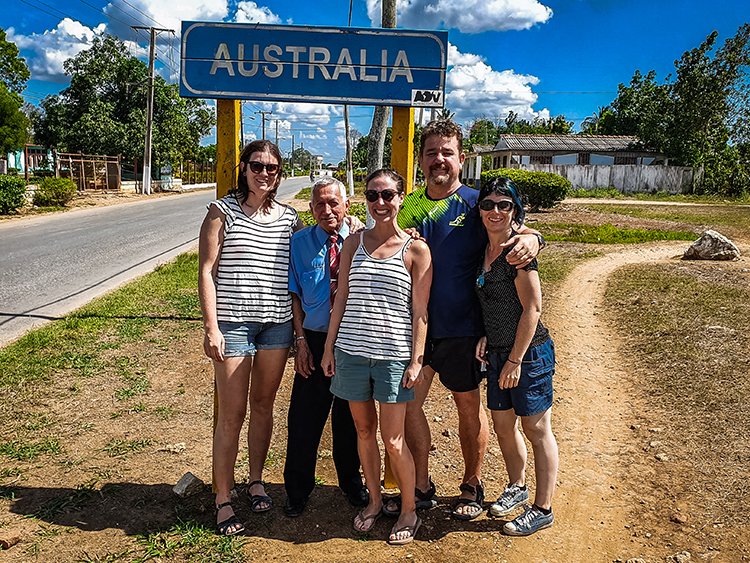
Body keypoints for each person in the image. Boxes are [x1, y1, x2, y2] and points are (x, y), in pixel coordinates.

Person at [392, 120, 545, 521]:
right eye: (430, 153)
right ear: (421, 160)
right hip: (416, 327)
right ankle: (422, 484)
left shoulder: (478, 203)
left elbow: (513, 226)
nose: (438, 160)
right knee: (408, 405)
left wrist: (534, 238)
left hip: (464, 331)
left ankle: (472, 484)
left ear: (461, 158)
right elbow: (382, 231)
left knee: (466, 407)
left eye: (447, 152)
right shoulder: (408, 204)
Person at [322, 169, 432, 546]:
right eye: (373, 196)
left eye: (388, 195)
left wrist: (417, 360)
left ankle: (408, 510)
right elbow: (341, 298)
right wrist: (328, 348)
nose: (380, 203)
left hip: (392, 358)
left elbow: (420, 312)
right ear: (365, 200)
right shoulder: (354, 243)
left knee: (394, 438)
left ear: (402, 198)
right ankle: (373, 501)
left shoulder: (416, 249)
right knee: (364, 432)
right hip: (351, 352)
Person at [199, 139, 301, 536]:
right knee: (232, 413)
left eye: (272, 168)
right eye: (257, 165)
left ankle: (256, 480)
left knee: (263, 406)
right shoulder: (220, 212)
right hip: (234, 325)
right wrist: (212, 327)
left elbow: (315, 252)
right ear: (243, 168)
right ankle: (223, 497)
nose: (264, 173)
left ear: (279, 174)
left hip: (276, 326)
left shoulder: (289, 218)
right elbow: (207, 270)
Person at [473, 177, 558, 535]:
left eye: (504, 205)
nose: (495, 211)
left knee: (536, 428)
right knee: (503, 425)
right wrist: (486, 335)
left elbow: (532, 309)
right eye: (489, 204)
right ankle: (517, 486)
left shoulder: (518, 253)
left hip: (527, 353)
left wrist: (515, 361)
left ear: (515, 210)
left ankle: (542, 508)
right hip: (496, 351)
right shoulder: (485, 248)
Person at [283, 178, 368, 517]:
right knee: (304, 419)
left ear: (347, 206)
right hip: (314, 340)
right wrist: (300, 341)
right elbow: (295, 296)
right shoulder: (299, 243)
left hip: (352, 340)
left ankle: (351, 483)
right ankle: (298, 490)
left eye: (334, 203)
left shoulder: (365, 240)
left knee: (350, 420)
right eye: (320, 204)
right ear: (311, 208)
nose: (327, 210)